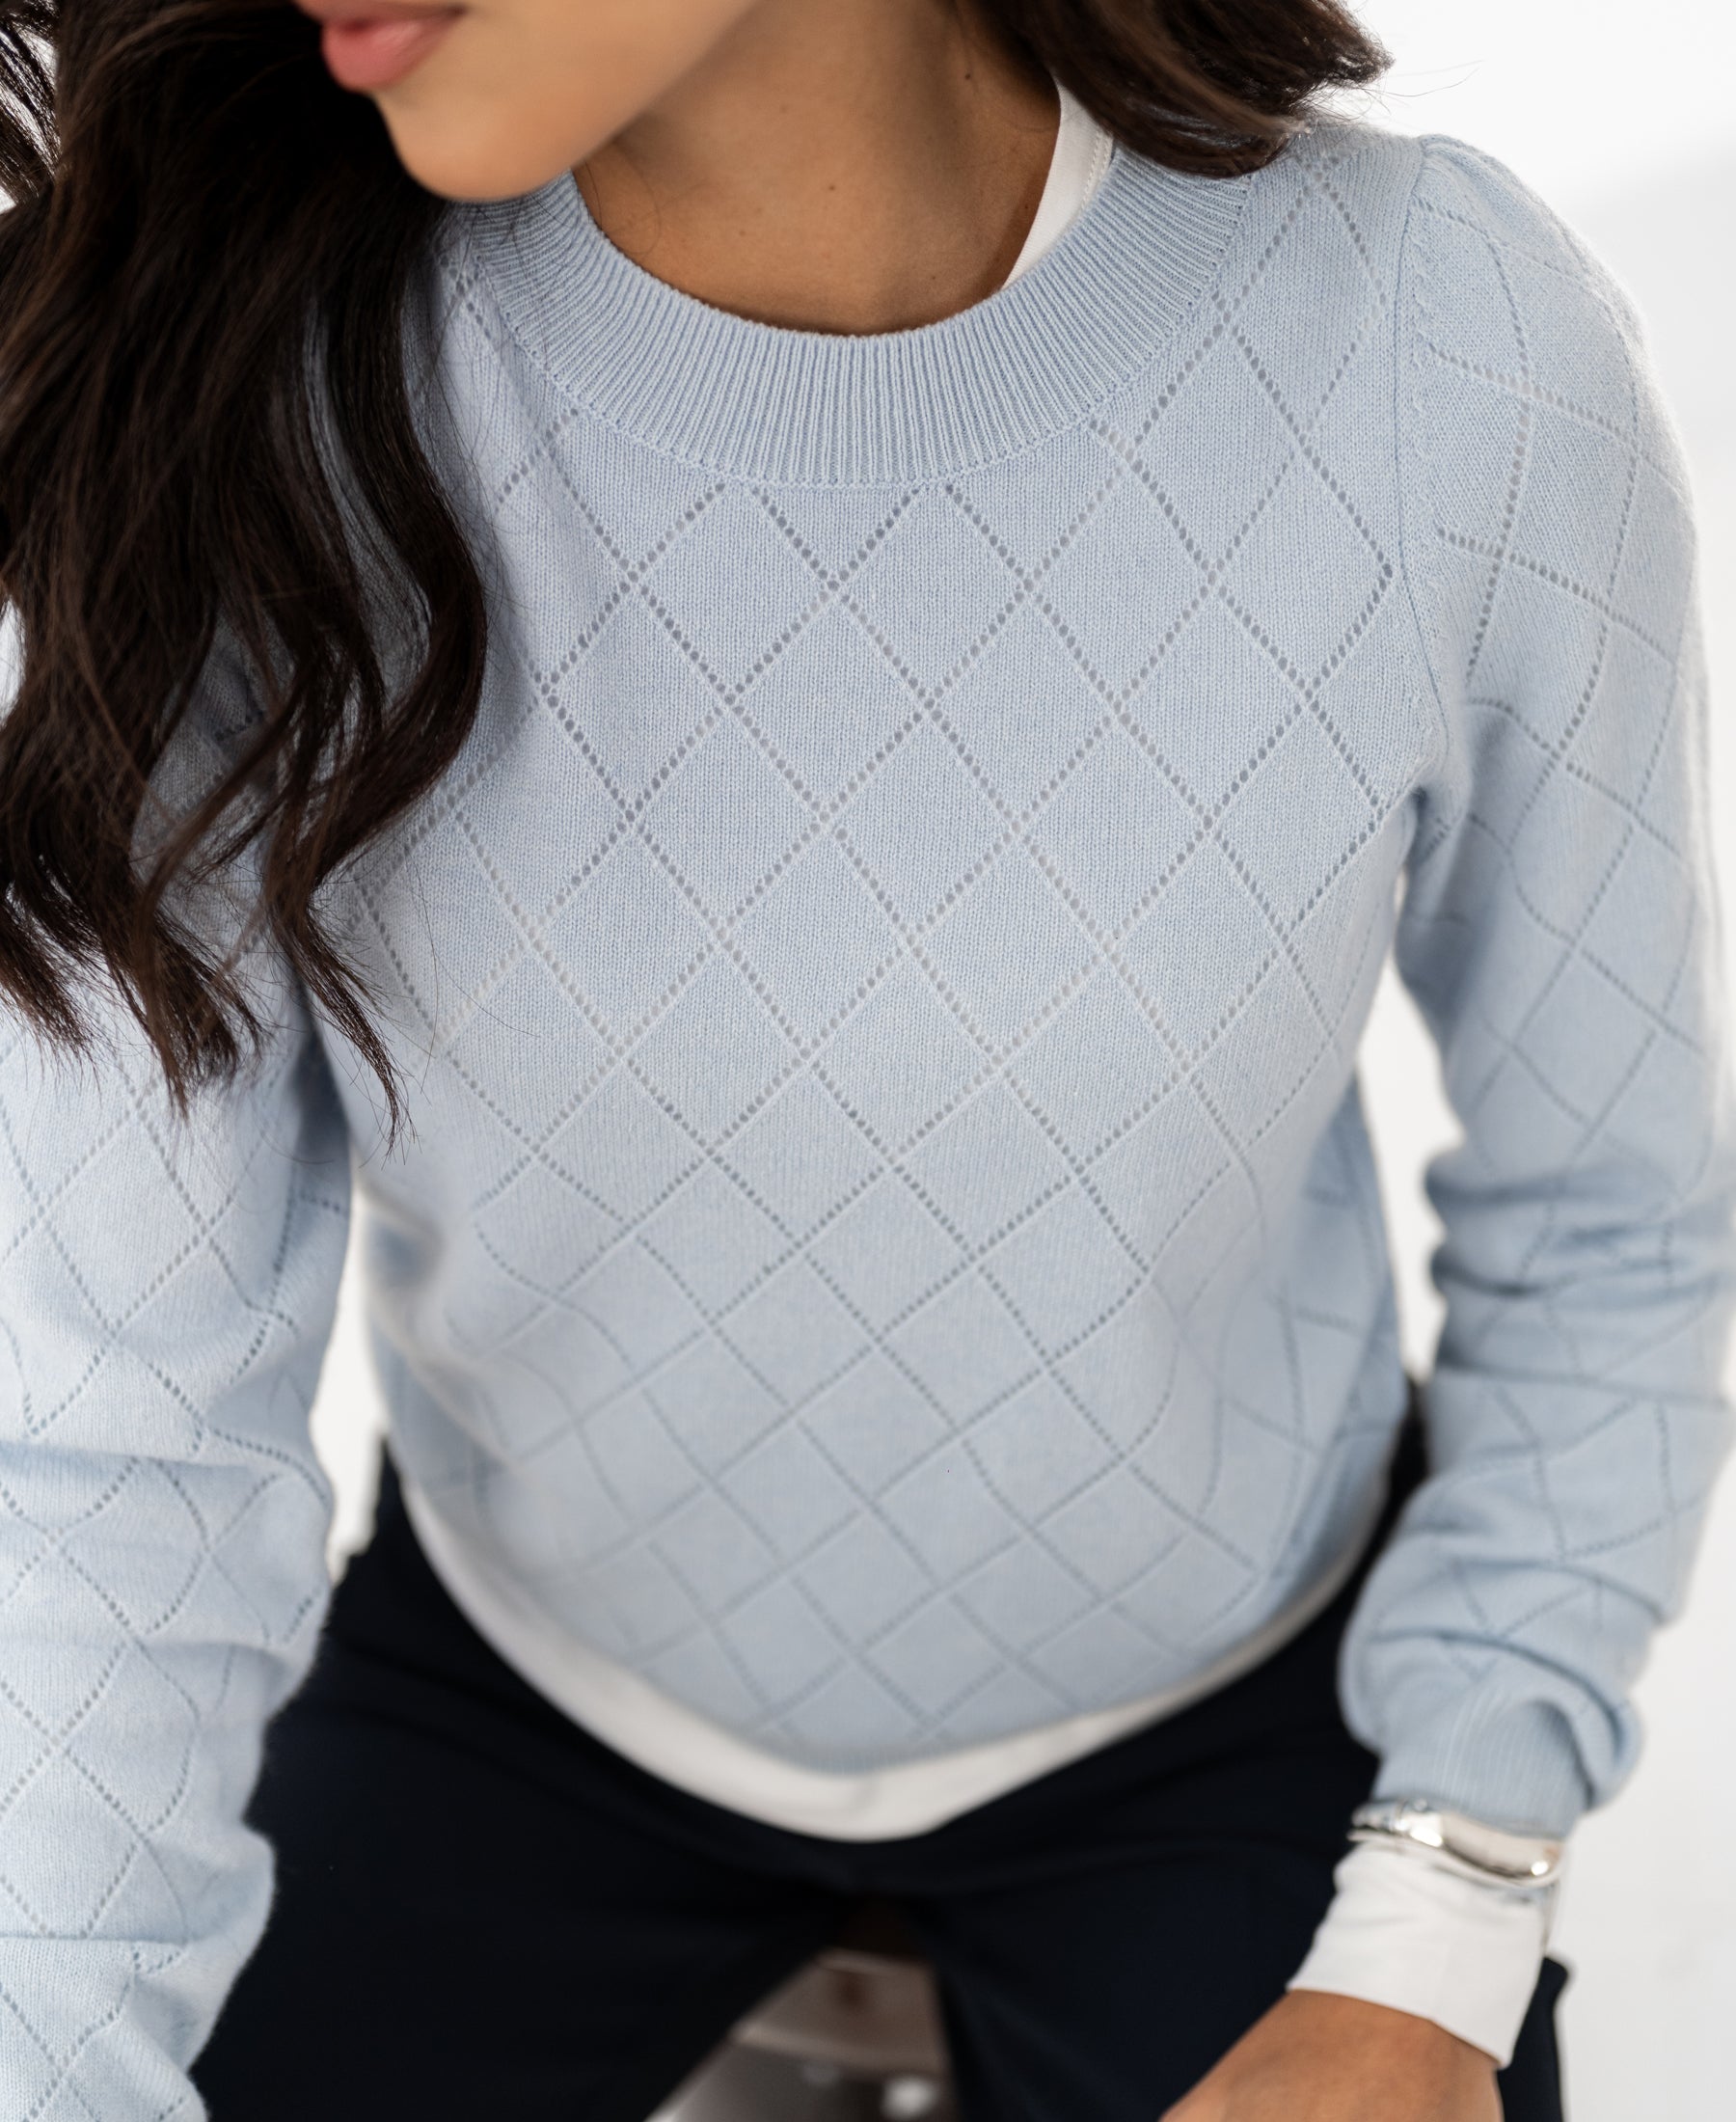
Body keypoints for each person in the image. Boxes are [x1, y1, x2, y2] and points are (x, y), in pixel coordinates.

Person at [0, 1, 1729, 2116]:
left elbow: (1620, 1217)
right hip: (517, 1694)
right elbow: (115, 1434)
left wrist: (1440, 1919)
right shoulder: (244, 411)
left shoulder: (1439, 341)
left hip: (1234, 1706)